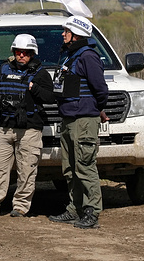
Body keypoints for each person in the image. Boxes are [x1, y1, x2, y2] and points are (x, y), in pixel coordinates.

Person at [0, 34, 54, 217]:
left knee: (26, 170)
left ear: (32, 54)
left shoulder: (41, 74)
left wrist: (34, 88)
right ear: (14, 52)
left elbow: (50, 97)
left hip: (30, 129)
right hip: (6, 127)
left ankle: (20, 207)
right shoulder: (5, 69)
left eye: (25, 53)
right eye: (18, 52)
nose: (21, 55)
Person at [48, 15, 109, 229]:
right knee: (70, 167)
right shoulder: (70, 57)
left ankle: (92, 212)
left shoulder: (88, 57)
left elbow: (101, 90)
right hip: (69, 119)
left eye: (66, 31)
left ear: (76, 35)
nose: (63, 35)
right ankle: (75, 209)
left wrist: (96, 109)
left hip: (84, 120)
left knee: (84, 166)